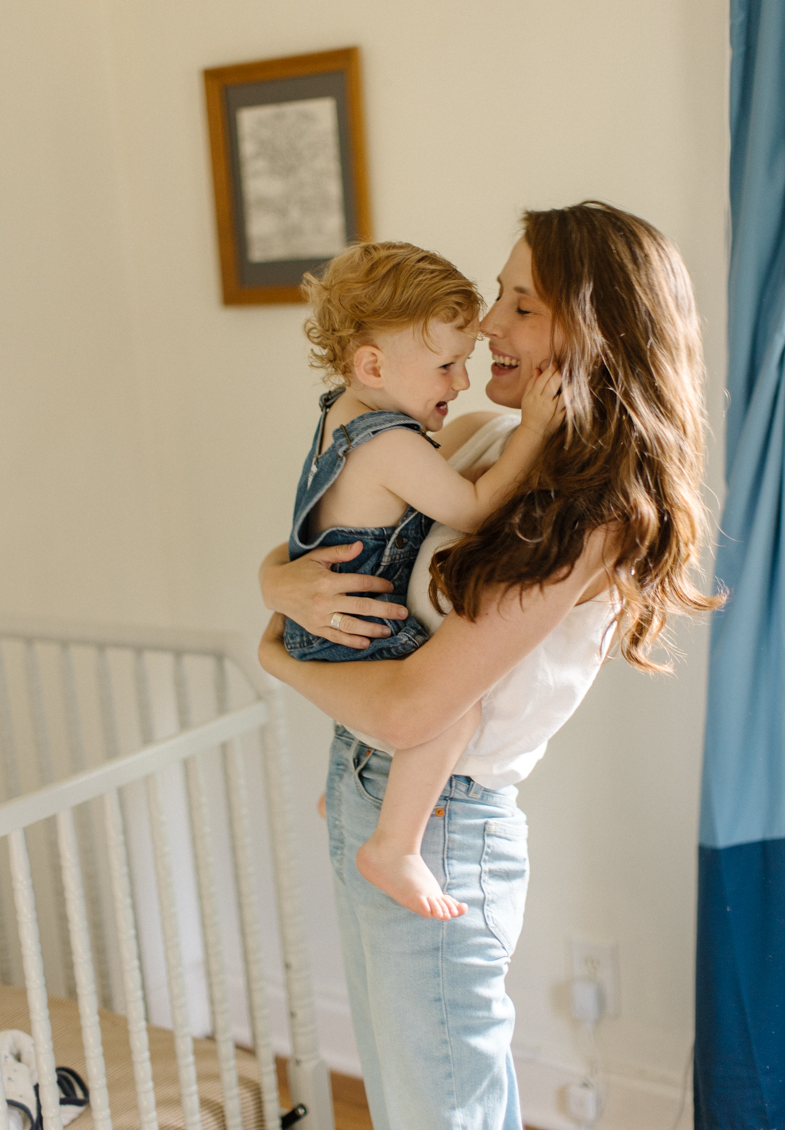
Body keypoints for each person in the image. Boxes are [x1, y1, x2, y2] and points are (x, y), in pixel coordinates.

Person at [259, 202, 718, 1130]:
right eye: (498, 296)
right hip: (363, 791)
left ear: (595, 333)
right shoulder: (470, 439)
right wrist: (275, 577)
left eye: (522, 306)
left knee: (443, 1113)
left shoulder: (597, 515)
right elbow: (342, 539)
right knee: (408, 1103)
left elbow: (410, 709)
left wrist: (270, 651)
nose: (490, 328)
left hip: (439, 827)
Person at [286, 241, 562, 921]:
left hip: (327, 620)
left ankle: (348, 795)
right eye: (445, 365)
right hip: (359, 623)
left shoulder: (344, 418)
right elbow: (469, 507)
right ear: (373, 365)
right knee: (452, 709)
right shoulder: (390, 443)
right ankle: (395, 844)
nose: (460, 382)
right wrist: (530, 434)